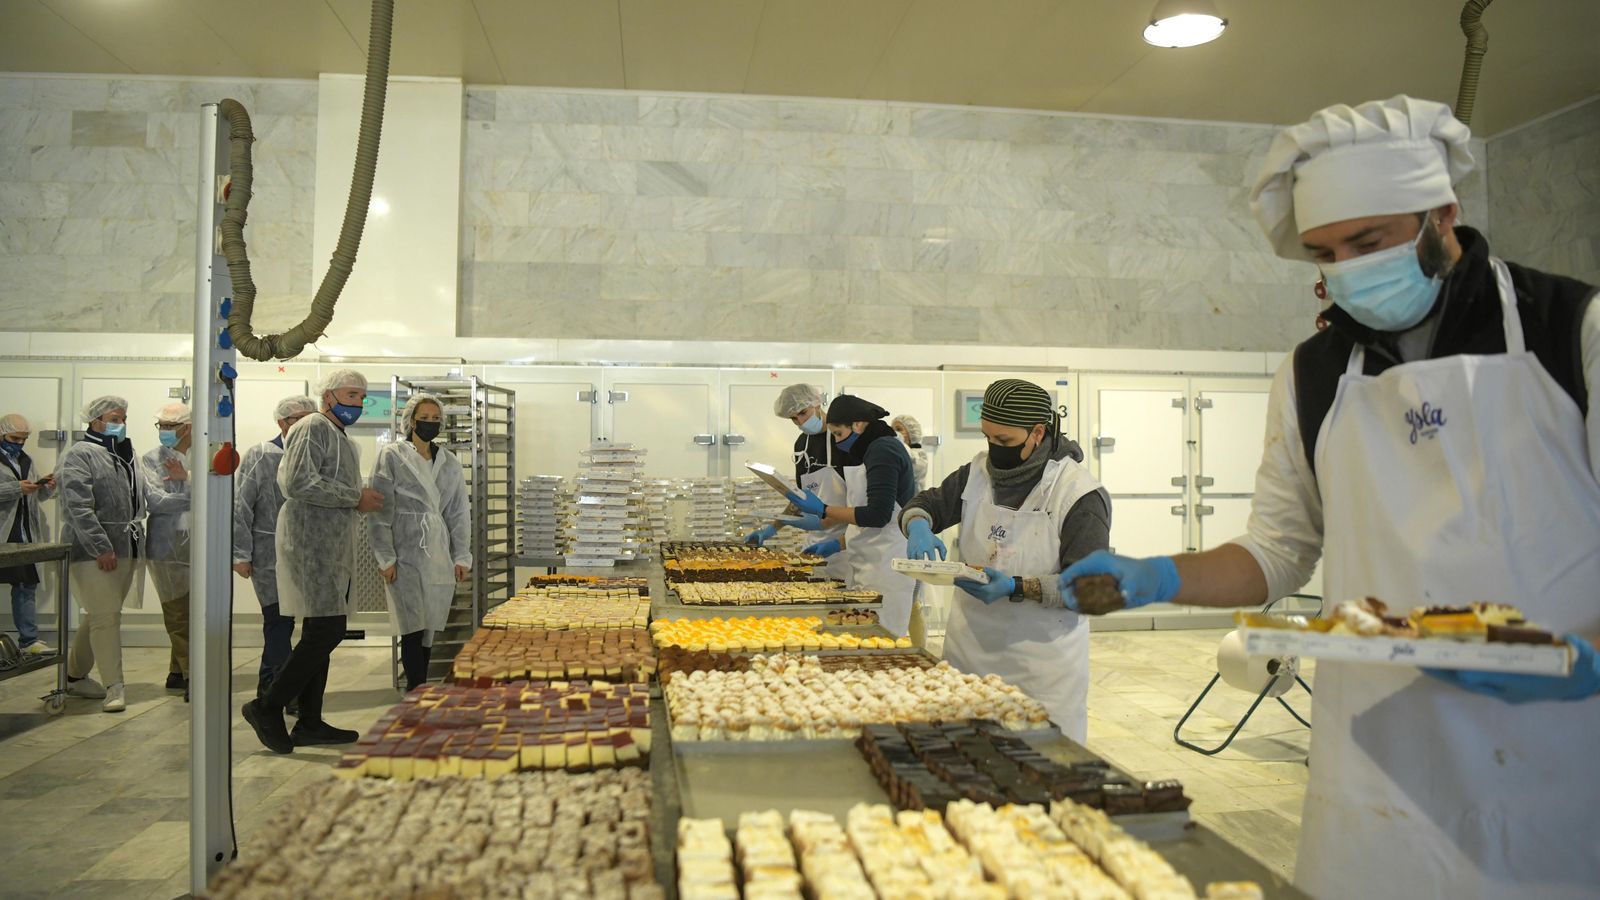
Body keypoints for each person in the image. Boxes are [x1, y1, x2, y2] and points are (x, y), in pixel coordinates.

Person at [1061, 95, 1600, 897]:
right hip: (1377, 763)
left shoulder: (1572, 331)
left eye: (1369, 241)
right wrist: (1160, 575)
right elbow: (1277, 550)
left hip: (1557, 756)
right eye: (1324, 253)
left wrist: (1583, 658)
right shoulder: (1315, 375)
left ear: (1441, 214)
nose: (1347, 270)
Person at [900, 380, 1110, 741]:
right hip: (969, 656)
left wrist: (1015, 587)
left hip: (1040, 669)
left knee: (1039, 767)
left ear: (1037, 432)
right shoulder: (977, 474)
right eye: (987, 438)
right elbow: (929, 503)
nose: (994, 450)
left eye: (1005, 442)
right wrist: (918, 524)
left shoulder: (1078, 495)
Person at [241, 370, 384, 753]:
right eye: (351, 393)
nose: (357, 401)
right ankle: (267, 705)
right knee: (326, 630)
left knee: (320, 631)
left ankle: (309, 721)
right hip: (309, 542)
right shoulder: (312, 426)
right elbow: (297, 482)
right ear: (328, 396)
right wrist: (355, 497)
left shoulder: (340, 438)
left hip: (331, 545)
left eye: (362, 396)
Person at [785, 394, 919, 640]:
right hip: (866, 561)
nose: (837, 442)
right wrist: (838, 544)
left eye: (837, 434)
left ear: (857, 425)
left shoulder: (884, 450)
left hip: (886, 566)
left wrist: (824, 510)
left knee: (883, 640)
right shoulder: (868, 450)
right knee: (862, 639)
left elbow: (877, 515)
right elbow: (863, 519)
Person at [367, 392, 471, 692]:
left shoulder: (448, 462)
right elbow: (380, 510)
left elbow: (458, 512)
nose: (430, 424)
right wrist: (385, 557)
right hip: (405, 548)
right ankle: (415, 689)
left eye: (436, 419)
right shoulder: (392, 456)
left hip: (437, 550)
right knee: (410, 625)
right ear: (410, 421)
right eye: (424, 419)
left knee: (429, 625)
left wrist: (461, 555)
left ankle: (421, 688)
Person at [57, 395, 147, 713]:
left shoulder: (126, 452)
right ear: (94, 420)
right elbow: (77, 507)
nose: (119, 423)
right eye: (113, 417)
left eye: (123, 418)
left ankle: (73, 675)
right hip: (93, 551)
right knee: (106, 617)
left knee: (100, 614)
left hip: (127, 545)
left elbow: (139, 496)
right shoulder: (79, 455)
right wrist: (101, 546)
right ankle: (115, 687)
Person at [233, 395, 317, 708]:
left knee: (306, 624)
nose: (306, 425)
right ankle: (274, 688)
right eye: (298, 419)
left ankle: (283, 687)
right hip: (270, 553)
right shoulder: (262, 454)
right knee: (278, 620)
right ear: (282, 423)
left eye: (311, 418)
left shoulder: (317, 452)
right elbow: (241, 505)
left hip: (310, 551)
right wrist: (240, 553)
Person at [745, 383, 853, 583]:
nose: (800, 421)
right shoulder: (802, 444)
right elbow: (800, 497)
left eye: (803, 413)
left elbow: (859, 502)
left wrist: (824, 521)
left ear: (817, 403)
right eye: (794, 418)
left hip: (845, 546)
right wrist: (773, 527)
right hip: (813, 544)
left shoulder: (843, 440)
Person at [141, 401, 193, 696]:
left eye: (171, 426)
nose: (164, 432)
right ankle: (191, 675)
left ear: (188, 428)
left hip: (199, 543)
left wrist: (185, 480)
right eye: (161, 426)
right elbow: (156, 502)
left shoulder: (206, 456)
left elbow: (224, 495)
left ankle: (176, 671)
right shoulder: (151, 459)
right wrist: (195, 492)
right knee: (176, 612)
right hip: (165, 545)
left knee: (195, 610)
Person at [0, 414, 57, 655]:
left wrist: (46, 487)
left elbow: (33, 493)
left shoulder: (26, 459)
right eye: (15, 438)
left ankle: (28, 641)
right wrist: (16, 488)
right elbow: (18, 489)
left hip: (23, 533)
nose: (20, 443)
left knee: (25, 585)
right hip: (3, 532)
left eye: (24, 439)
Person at [891, 414, 930, 492]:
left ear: (911, 433)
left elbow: (911, 467)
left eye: (899, 429)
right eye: (892, 430)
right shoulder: (895, 452)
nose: (895, 433)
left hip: (913, 500)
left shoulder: (920, 454)